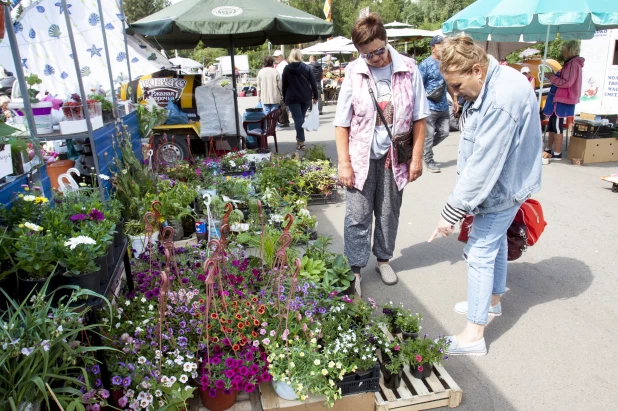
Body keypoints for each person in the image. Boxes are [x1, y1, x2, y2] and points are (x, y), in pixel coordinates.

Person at [428, 36, 542, 356]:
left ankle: (473, 335)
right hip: (508, 180)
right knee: (496, 241)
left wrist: (450, 214)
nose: (455, 91)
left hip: (502, 185)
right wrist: (461, 99)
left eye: (457, 84)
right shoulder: (491, 80)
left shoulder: (500, 99)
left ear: (477, 69)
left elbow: (482, 167)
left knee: (479, 252)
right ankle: (492, 302)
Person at [334, 13, 429, 297]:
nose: (373, 58)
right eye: (366, 54)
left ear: (386, 40)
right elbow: (342, 122)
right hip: (360, 156)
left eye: (377, 51)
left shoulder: (409, 68)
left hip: (395, 156)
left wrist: (416, 157)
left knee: (388, 211)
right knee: (357, 215)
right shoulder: (354, 72)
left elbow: (420, 118)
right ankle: (354, 268)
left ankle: (384, 259)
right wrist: (344, 164)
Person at [419, 35, 458, 173]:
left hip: (443, 106)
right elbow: (419, 86)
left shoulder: (445, 64)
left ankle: (422, 149)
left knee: (444, 132)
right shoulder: (425, 64)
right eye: (440, 44)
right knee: (428, 136)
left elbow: (449, 84)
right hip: (429, 106)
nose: (443, 47)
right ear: (433, 47)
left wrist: (455, 99)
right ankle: (429, 159)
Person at [543, 40, 584, 159]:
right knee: (551, 124)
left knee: (557, 125)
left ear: (570, 50)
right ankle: (549, 149)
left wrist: (552, 77)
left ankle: (557, 153)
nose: (562, 53)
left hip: (563, 99)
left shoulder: (573, 64)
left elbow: (567, 82)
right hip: (558, 97)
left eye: (564, 51)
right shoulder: (570, 63)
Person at [281, 49, 318, 150]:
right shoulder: (307, 67)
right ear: (300, 56)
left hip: (292, 97)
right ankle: (299, 138)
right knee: (300, 118)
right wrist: (315, 96)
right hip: (305, 97)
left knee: (298, 119)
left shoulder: (287, 69)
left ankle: (301, 142)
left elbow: (284, 85)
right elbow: (313, 82)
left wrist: (284, 99)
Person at [274, 50, 290, 128]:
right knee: (283, 106)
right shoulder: (281, 64)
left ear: (280, 56)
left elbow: (282, 78)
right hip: (283, 87)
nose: (275, 58)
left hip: (283, 87)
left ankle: (284, 120)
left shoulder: (283, 65)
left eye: (276, 57)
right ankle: (284, 120)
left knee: (283, 106)